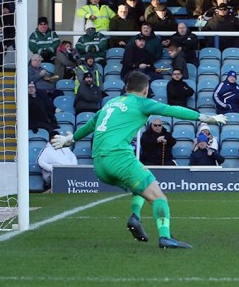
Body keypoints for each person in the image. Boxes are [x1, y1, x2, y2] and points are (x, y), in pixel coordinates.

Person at [51, 72, 227, 248]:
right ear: (146, 89)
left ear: (126, 87)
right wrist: (206, 118)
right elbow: (173, 110)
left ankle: (135, 216)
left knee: (141, 184)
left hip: (99, 164)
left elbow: (90, 125)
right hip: (119, 158)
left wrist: (70, 139)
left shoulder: (110, 103)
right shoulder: (142, 103)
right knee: (159, 198)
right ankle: (165, 237)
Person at [0, 3, 15, 70]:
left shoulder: (12, 17)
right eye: (3, 9)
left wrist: (7, 45)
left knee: (18, 48)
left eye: (6, 9)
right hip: (0, 38)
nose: (5, 10)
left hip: (11, 37)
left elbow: (13, 32)